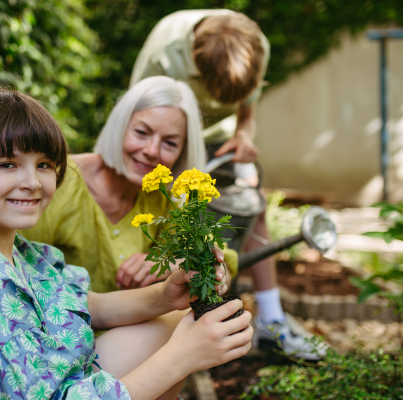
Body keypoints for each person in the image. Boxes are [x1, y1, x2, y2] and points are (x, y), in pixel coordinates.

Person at [0, 87, 253, 399]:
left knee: (169, 324)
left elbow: (86, 303)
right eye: (7, 164)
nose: (32, 181)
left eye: (45, 165)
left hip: (56, 378)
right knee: (172, 349)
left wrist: (163, 296)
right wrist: (182, 357)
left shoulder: (12, 248)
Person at [130, 10, 326, 360]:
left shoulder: (256, 47)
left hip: (220, 139)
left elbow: (246, 115)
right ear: (194, 63)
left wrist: (243, 135)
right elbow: (140, 119)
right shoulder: (164, 53)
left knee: (253, 203)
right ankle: (176, 324)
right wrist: (168, 164)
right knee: (174, 217)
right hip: (170, 137)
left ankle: (272, 320)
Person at [21, 76, 240, 294]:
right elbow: (13, 264)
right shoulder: (57, 179)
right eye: (142, 133)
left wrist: (174, 263)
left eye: (170, 143)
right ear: (119, 127)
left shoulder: (166, 199)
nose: (152, 150)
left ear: (182, 153)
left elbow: (222, 265)